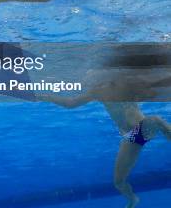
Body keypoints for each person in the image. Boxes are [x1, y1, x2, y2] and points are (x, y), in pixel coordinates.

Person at [39, 72, 171, 208]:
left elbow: (155, 83)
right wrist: (48, 97)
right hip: (131, 137)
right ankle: (132, 200)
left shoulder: (128, 82)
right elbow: (71, 103)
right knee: (118, 182)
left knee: (156, 120)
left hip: (144, 127)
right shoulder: (97, 91)